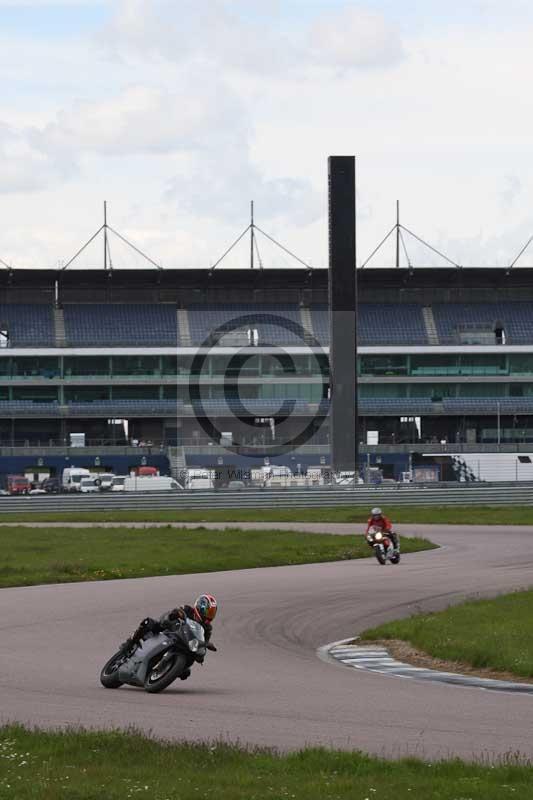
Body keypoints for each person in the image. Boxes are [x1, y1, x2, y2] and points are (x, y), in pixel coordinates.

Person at [120, 594, 218, 680]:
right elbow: (174, 613)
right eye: (208, 612)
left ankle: (168, 670)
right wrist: (176, 614)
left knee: (187, 669)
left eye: (212, 613)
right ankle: (130, 642)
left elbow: (202, 642)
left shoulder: (207, 629)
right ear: (200, 607)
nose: (209, 616)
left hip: (184, 645)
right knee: (148, 623)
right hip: (170, 630)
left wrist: (202, 651)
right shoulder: (188, 609)